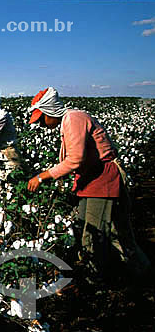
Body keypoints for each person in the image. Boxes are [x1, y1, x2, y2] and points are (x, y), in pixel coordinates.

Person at [26, 86, 151, 278]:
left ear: (50, 111)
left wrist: (43, 176)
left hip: (101, 180)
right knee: (107, 231)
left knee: (93, 235)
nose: (41, 124)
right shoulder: (70, 120)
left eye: (42, 118)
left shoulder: (73, 118)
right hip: (92, 180)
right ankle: (140, 271)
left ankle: (99, 278)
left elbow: (75, 160)